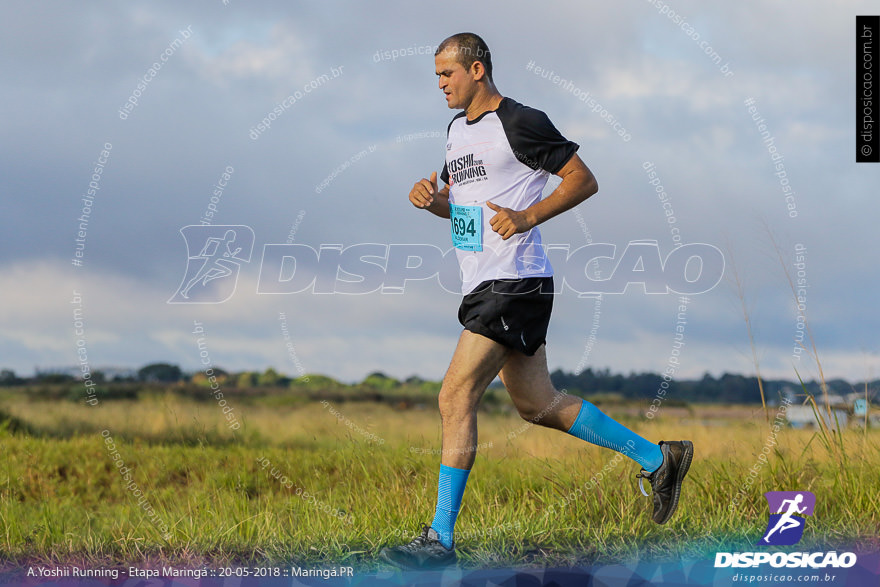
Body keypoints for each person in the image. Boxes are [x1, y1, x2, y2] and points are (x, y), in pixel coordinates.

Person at [380, 32, 693, 570]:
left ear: (477, 70)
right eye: (436, 77)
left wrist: (527, 217)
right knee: (536, 404)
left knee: (454, 397)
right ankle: (656, 457)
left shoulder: (521, 121)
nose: (440, 85)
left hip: (515, 280)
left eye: (447, 74)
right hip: (483, 280)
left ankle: (439, 540)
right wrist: (435, 202)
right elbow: (464, 206)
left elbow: (582, 179)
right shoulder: (456, 132)